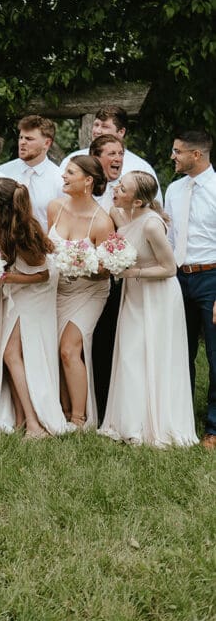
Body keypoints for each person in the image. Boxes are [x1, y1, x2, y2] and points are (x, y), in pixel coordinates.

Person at [100, 172, 197, 447]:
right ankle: (128, 423)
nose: (116, 189)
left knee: (152, 355)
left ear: (139, 200)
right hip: (135, 295)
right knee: (130, 354)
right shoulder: (120, 214)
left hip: (158, 297)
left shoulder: (152, 225)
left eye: (123, 188)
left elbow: (168, 269)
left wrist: (131, 271)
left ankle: (156, 424)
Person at [0, 178, 67, 438]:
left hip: (35, 296)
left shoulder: (23, 232)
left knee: (11, 353)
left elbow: (44, 275)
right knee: (11, 355)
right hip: (20, 293)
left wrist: (5, 278)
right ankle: (21, 418)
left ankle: (34, 422)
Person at [47, 155, 114, 427]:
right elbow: (46, 247)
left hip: (89, 292)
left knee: (68, 349)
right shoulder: (55, 208)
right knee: (53, 349)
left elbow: (108, 269)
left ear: (88, 181)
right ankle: (61, 410)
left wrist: (81, 265)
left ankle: (79, 419)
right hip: (56, 290)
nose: (63, 176)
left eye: (70, 172)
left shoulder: (101, 222)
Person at [165, 130, 216, 449]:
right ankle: (179, 419)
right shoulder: (173, 189)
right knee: (178, 351)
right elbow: (170, 238)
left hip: (212, 278)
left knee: (214, 355)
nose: (173, 156)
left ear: (196, 155)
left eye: (178, 151)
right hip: (178, 277)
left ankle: (213, 427)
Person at [88, 133, 126, 420]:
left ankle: (104, 405)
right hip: (77, 280)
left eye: (120, 154)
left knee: (106, 343)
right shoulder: (83, 193)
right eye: (111, 153)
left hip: (111, 280)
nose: (117, 159)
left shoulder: (123, 194)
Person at [59, 105, 162, 202]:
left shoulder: (140, 167)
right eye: (96, 125)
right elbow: (60, 197)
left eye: (104, 126)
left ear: (121, 132)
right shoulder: (72, 160)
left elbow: (153, 206)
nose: (97, 131)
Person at [0, 115, 63, 231]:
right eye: (21, 137)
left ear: (46, 143)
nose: (22, 142)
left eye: (29, 139)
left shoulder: (60, 179)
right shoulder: (2, 172)